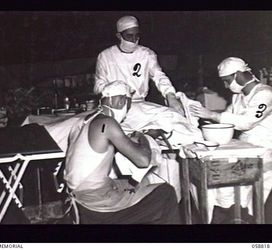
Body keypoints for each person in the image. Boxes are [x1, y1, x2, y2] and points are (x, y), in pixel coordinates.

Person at [64, 80, 181, 224]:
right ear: (120, 102)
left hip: (77, 195)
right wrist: (145, 136)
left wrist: (130, 140)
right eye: (128, 106)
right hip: (95, 202)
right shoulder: (107, 123)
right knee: (165, 192)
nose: (126, 114)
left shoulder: (82, 121)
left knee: (141, 182)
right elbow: (143, 161)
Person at [94, 15, 202, 145]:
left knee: (175, 119)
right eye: (129, 36)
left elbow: (159, 76)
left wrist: (170, 95)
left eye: (136, 35)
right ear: (118, 35)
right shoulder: (106, 56)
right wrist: (120, 89)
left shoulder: (146, 54)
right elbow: (98, 86)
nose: (134, 40)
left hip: (140, 104)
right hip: (117, 107)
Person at [190, 56, 272, 223]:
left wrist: (213, 115)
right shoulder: (238, 97)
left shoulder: (265, 94)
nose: (226, 86)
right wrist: (205, 118)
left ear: (239, 75)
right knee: (218, 182)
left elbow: (247, 122)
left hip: (265, 150)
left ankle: (245, 218)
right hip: (244, 147)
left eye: (227, 81)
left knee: (247, 197)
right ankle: (225, 216)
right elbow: (228, 120)